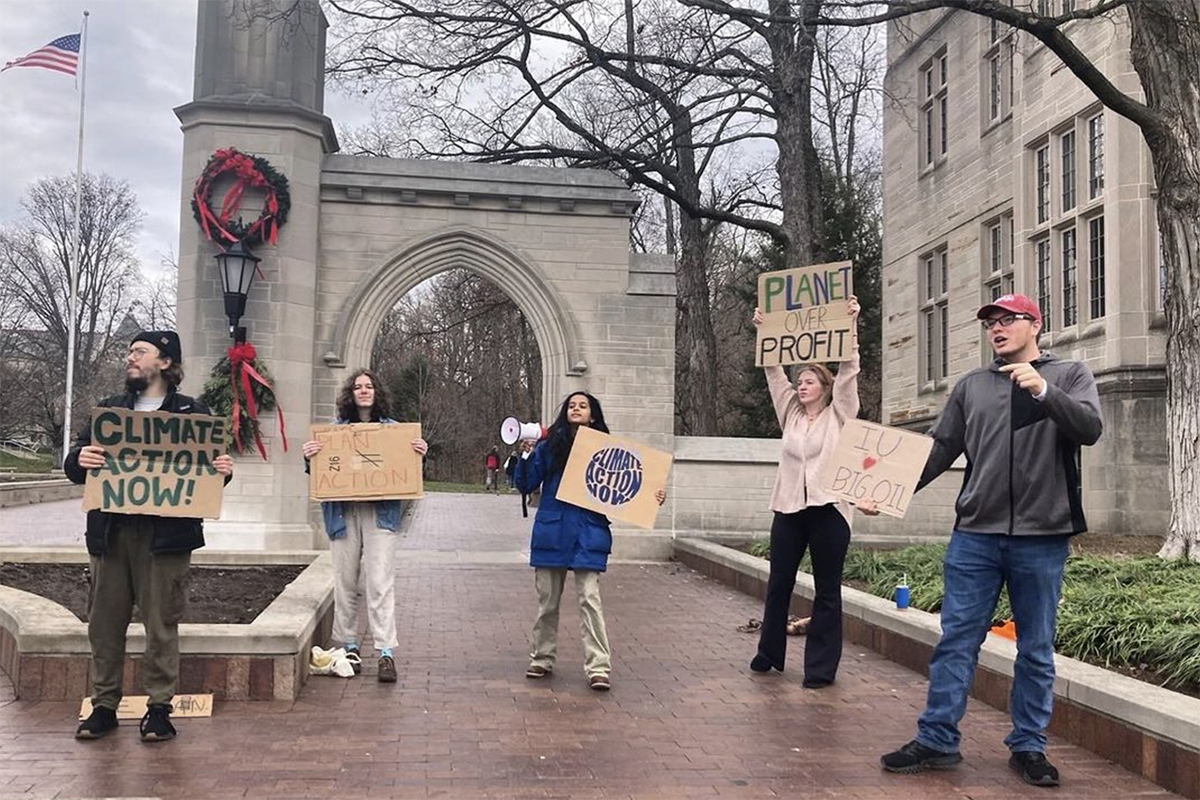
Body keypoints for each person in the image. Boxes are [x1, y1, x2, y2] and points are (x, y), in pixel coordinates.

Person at [879, 294, 1102, 788]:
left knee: (1036, 648)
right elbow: (938, 450)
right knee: (957, 640)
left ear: (1035, 325)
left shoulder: (1069, 376)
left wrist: (1044, 390)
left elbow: (1089, 429)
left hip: (1043, 537)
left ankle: (1029, 747)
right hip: (975, 536)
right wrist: (889, 490)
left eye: (1008, 321)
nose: (997, 329)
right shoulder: (972, 386)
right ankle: (937, 740)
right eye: (990, 324)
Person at [64, 331, 234, 743]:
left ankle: (159, 709)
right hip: (112, 533)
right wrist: (78, 459)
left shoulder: (193, 413)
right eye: (129, 352)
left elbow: (205, 476)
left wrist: (224, 471)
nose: (130, 358)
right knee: (104, 624)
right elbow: (76, 462)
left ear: (165, 362)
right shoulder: (109, 411)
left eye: (140, 352)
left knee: (162, 623)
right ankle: (103, 706)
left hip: (165, 538)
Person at [513, 391, 665, 691]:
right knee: (547, 602)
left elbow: (631, 486)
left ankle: (598, 667)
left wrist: (654, 494)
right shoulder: (548, 447)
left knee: (590, 601)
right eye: (572, 406)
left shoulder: (609, 452)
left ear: (592, 414)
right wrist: (526, 454)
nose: (576, 409)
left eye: (583, 406)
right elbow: (526, 483)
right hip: (553, 532)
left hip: (587, 532)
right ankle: (541, 657)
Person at [749, 296, 863, 689]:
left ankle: (819, 669)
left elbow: (849, 371)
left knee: (827, 591)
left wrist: (851, 325)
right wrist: (765, 330)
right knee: (779, 581)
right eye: (799, 381)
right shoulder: (790, 414)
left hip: (829, 510)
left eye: (809, 381)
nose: (801, 385)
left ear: (825, 388)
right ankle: (769, 654)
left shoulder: (840, 413)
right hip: (789, 509)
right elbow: (773, 373)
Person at [301, 369, 428, 684]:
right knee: (345, 583)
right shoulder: (332, 433)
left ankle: (385, 651)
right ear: (350, 393)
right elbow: (319, 472)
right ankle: (350, 646)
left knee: (380, 582)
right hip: (343, 515)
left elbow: (406, 468)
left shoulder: (396, 432)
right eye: (357, 386)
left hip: (379, 514)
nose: (363, 390)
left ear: (377, 392)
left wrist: (419, 455)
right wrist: (310, 458)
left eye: (369, 386)